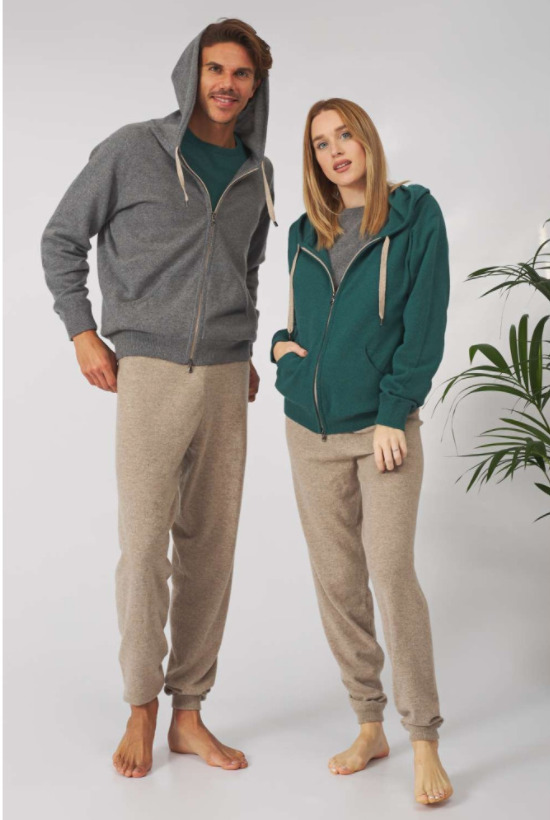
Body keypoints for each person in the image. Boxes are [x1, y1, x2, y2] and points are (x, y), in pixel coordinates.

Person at [41, 18, 276, 778]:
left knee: (211, 547)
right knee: (144, 546)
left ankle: (189, 713)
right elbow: (61, 237)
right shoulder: (132, 149)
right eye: (215, 68)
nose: (226, 84)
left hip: (225, 376)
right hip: (147, 367)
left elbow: (247, 267)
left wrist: (244, 346)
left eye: (241, 73)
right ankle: (141, 705)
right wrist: (82, 331)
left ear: (255, 86)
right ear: (191, 72)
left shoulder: (257, 171)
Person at [270, 98, 453, 805]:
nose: (336, 150)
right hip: (309, 432)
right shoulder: (303, 233)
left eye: (345, 134)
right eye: (321, 143)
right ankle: (369, 725)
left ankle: (424, 738)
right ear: (313, 159)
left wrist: (392, 411)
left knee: (391, 573)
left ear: (368, 139)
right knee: (338, 584)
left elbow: (424, 321)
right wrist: (281, 354)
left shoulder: (414, 213)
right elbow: (296, 324)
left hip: (382, 431)